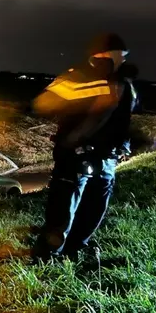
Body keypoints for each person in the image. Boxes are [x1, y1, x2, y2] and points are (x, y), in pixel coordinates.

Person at [31, 33, 138, 263]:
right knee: (63, 210)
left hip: (107, 158)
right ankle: (46, 257)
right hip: (76, 156)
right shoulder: (77, 76)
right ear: (105, 54)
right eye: (121, 54)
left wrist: (125, 144)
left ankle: (75, 250)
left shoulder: (123, 84)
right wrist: (95, 90)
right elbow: (44, 102)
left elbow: (123, 119)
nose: (124, 59)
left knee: (94, 210)